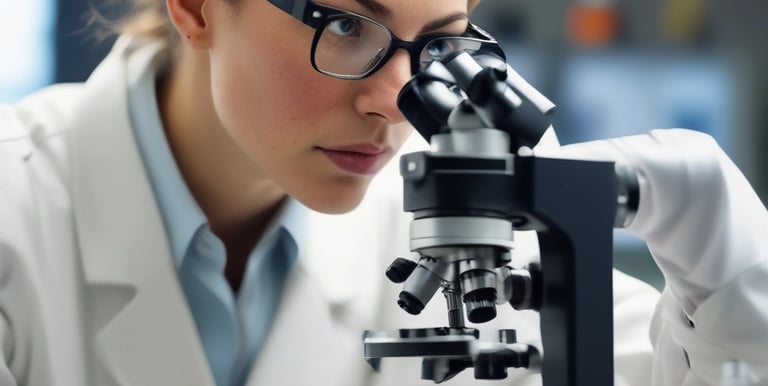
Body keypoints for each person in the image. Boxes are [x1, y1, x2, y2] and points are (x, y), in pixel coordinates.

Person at [0, 0, 766, 385]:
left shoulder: (448, 229)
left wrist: (726, 257)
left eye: (439, 45)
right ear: (196, 8)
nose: (395, 101)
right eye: (344, 25)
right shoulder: (14, 217)